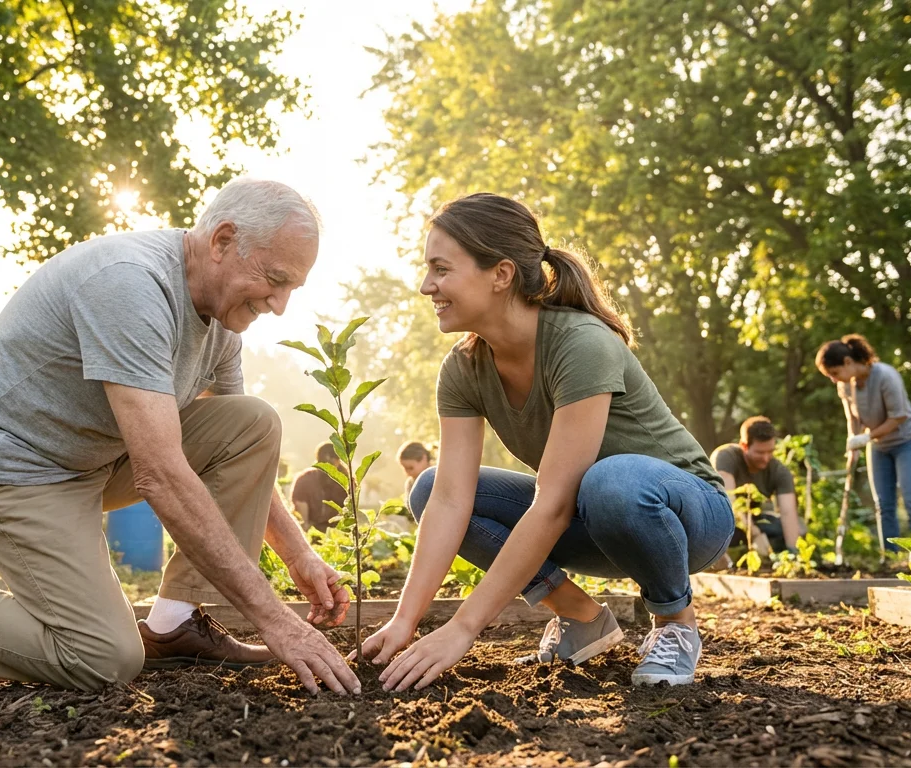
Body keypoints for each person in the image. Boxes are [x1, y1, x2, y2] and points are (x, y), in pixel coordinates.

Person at [0, 178, 361, 696]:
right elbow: (161, 475)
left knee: (252, 422)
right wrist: (275, 620)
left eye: (292, 288)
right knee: (102, 656)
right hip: (9, 465)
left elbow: (238, 453)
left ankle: (175, 624)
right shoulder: (131, 285)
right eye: (275, 279)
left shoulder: (223, 322)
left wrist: (298, 555)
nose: (280, 304)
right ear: (223, 241)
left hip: (93, 456)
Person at [359, 193, 732, 690]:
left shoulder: (581, 343)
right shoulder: (464, 368)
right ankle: (581, 616)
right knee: (428, 489)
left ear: (501, 274)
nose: (427, 285)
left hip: (686, 519)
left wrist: (463, 628)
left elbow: (552, 503)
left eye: (441, 269)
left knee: (611, 479)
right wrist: (405, 620)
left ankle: (675, 624)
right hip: (593, 520)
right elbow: (450, 499)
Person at [815, 334, 911, 550]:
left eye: (834, 373)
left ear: (848, 362)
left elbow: (898, 417)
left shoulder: (886, 376)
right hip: (879, 447)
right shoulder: (845, 385)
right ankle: (890, 556)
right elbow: (853, 418)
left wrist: (867, 437)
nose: (833, 380)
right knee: (883, 505)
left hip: (908, 442)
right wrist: (853, 444)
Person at [711, 416, 801, 555]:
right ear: (744, 446)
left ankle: (770, 555)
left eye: (770, 452)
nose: (766, 458)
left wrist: (794, 552)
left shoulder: (779, 471)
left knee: (797, 528)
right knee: (723, 528)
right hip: (719, 518)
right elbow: (729, 504)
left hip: (752, 520)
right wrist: (755, 534)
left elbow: (788, 513)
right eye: (760, 452)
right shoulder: (725, 457)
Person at [291, 442, 348, 532]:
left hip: (333, 531)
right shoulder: (306, 479)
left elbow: (303, 520)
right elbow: (303, 521)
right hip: (323, 531)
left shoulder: (346, 479)